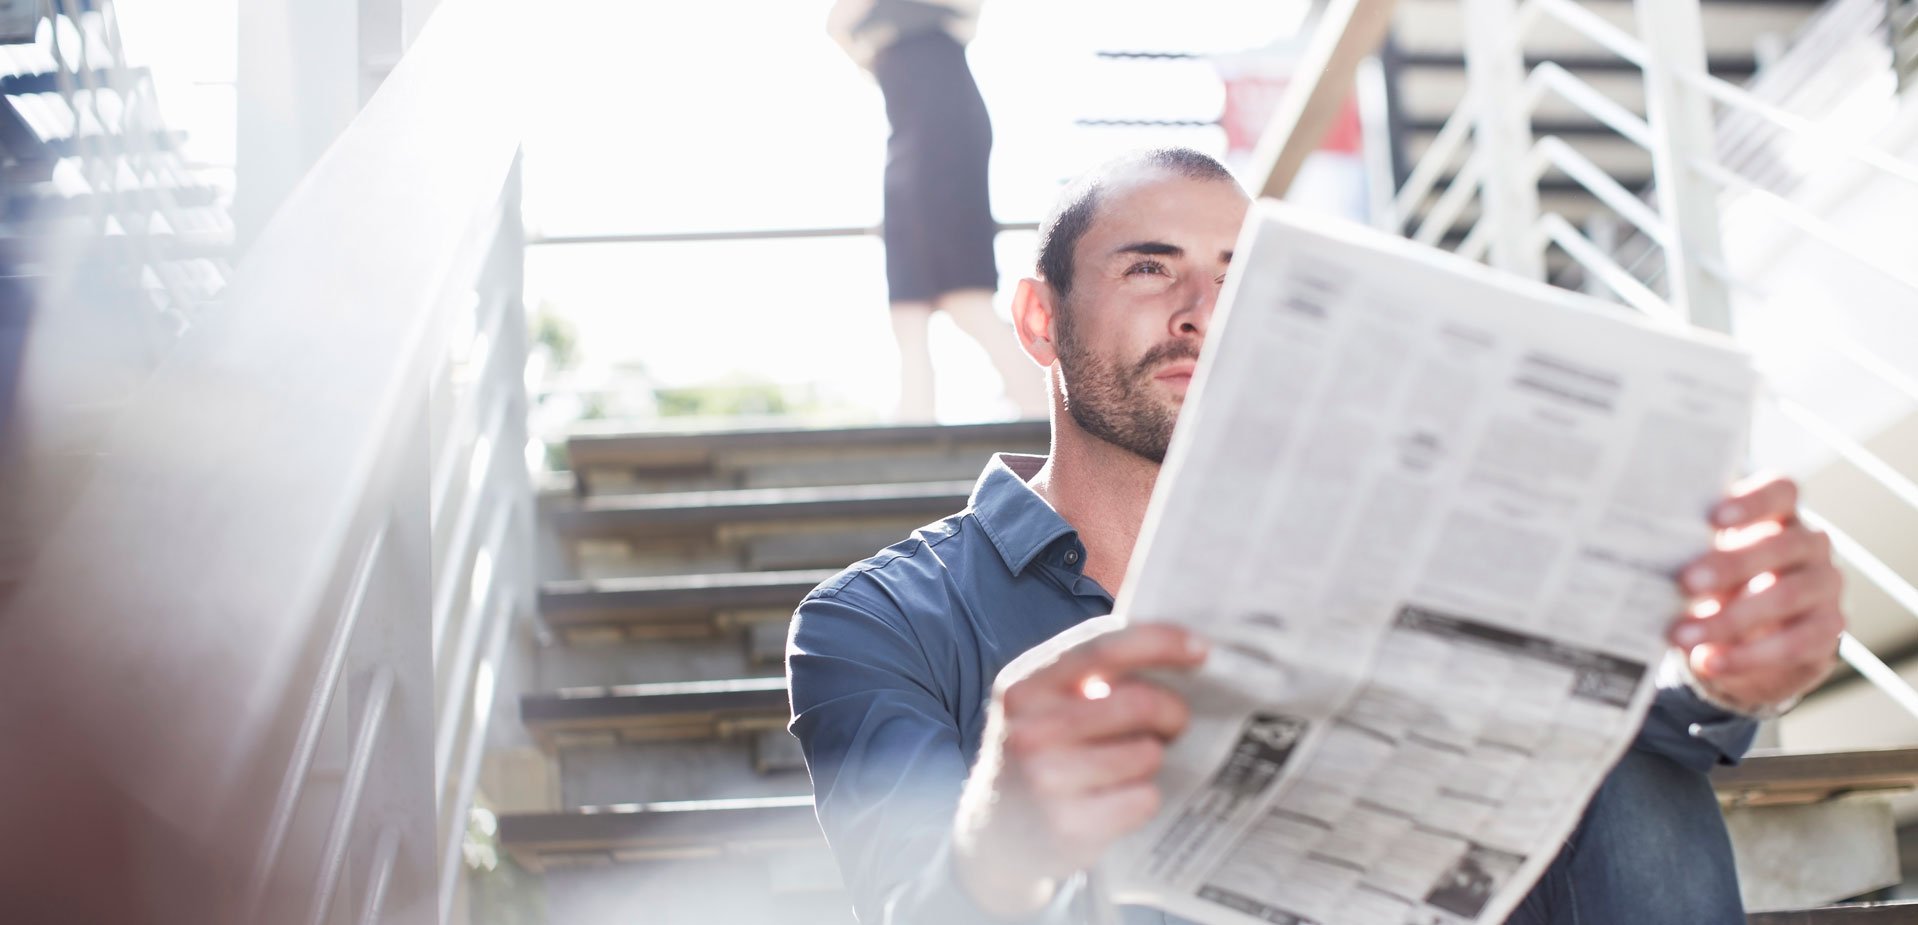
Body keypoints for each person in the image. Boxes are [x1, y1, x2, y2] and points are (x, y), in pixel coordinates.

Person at [786, 148, 1845, 924]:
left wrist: (1723, 674)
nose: (1205, 310)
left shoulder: (1403, 539)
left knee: (1626, 755)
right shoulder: (874, 621)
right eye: (1150, 269)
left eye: (1242, 277)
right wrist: (1000, 847)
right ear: (1037, 320)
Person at [827, 0, 1048, 422]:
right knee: (908, 297)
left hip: (946, 126)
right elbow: (837, 25)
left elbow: (967, 13)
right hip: (909, 125)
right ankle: (915, 417)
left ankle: (1040, 409)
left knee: (965, 294)